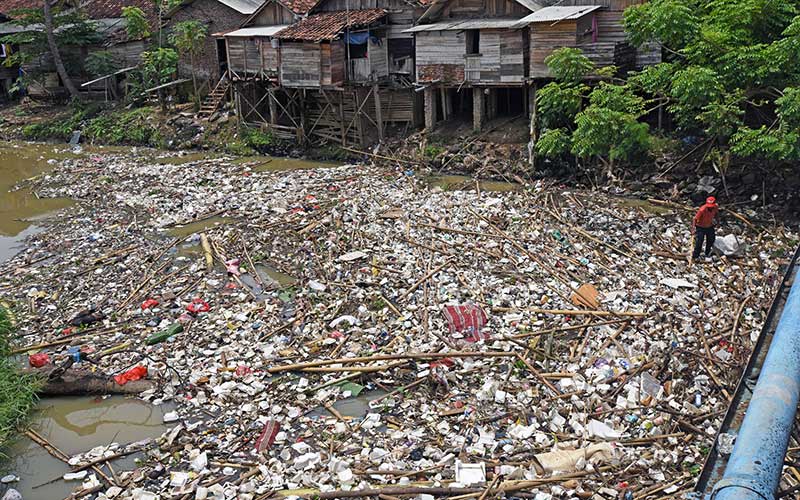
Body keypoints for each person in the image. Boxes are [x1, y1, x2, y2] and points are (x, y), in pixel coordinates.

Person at [692, 196, 719, 260]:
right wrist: (693, 229)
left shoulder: (715, 207)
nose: (710, 208)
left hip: (709, 226)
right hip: (700, 227)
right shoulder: (702, 210)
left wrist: (718, 222)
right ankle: (695, 255)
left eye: (711, 206)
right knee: (699, 241)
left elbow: (716, 214)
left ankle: (707, 252)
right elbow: (695, 219)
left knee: (711, 239)